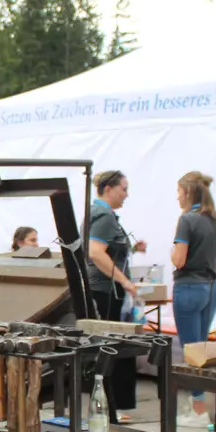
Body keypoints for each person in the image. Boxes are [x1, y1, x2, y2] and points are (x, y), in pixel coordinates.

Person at [86, 169, 146, 417]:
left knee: (109, 348)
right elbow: (95, 251)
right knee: (114, 348)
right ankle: (112, 406)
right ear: (108, 189)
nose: (127, 194)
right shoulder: (103, 216)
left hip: (102, 289)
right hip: (106, 291)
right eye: (123, 188)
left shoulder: (99, 213)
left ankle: (109, 404)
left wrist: (131, 248)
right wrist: (124, 281)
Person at [170, 171, 216, 426]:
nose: (178, 196)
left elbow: (179, 259)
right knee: (201, 347)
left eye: (179, 191)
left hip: (189, 286)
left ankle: (199, 410)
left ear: (188, 192)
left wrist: (173, 252)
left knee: (191, 350)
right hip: (212, 286)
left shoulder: (187, 220)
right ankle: (201, 405)